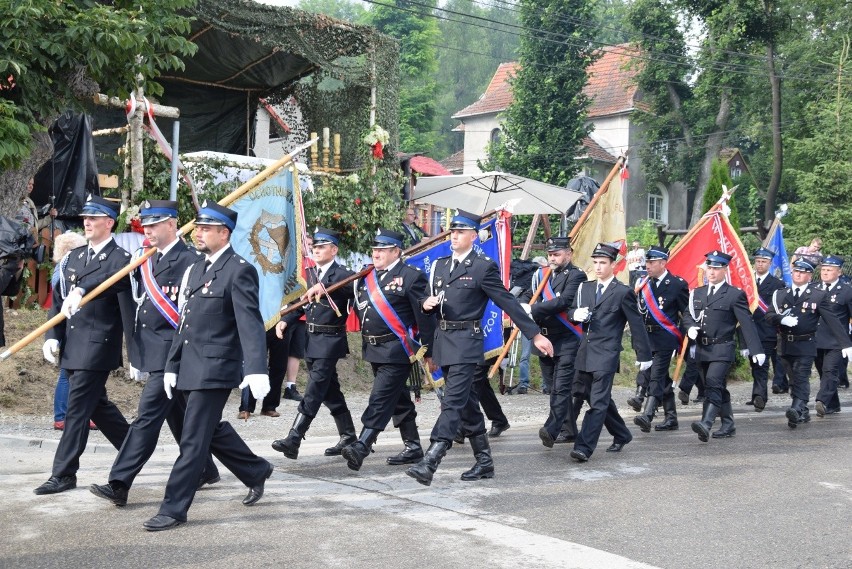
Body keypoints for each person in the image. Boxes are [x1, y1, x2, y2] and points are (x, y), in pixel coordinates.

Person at [142, 201, 274, 531]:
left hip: (214, 370)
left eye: (205, 229)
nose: (197, 233)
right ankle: (254, 470)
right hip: (189, 366)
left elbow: (250, 323)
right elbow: (185, 324)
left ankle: (173, 508)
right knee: (208, 431)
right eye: (197, 228)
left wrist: (256, 368)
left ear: (223, 233)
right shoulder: (198, 268)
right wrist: (172, 364)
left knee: (192, 440)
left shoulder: (239, 269)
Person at [406, 209, 553, 486]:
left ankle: (432, 458)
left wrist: (534, 335)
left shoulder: (482, 267)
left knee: (452, 402)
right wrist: (426, 305)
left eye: (461, 232)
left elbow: (506, 301)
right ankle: (484, 461)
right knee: (467, 404)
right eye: (453, 231)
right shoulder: (439, 265)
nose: (455, 236)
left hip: (467, 344)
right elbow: (428, 301)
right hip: (444, 342)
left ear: (474, 236)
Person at [88, 200, 220, 508]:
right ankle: (208, 468)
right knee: (184, 417)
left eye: (154, 224)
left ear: (173, 224)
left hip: (176, 354)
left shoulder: (190, 260)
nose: (147, 230)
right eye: (144, 225)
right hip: (153, 351)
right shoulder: (146, 259)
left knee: (146, 418)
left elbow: (192, 313)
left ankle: (119, 483)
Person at [35, 195, 132, 495]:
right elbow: (60, 301)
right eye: (85, 218)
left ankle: (64, 473)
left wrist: (82, 289)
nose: (86, 222)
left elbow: (112, 286)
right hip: (74, 344)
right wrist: (53, 336)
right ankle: (136, 447)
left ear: (110, 222)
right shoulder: (74, 258)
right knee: (98, 407)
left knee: (77, 409)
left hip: (98, 344)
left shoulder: (121, 259)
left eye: (94, 217)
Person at [339, 228, 436, 471]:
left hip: (397, 350)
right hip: (373, 349)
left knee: (380, 398)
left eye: (382, 250)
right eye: (374, 250)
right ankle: (413, 446)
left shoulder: (411, 276)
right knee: (397, 398)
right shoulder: (367, 277)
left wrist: (430, 351)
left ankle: (362, 445)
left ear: (396, 251)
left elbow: (423, 316)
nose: (376, 254)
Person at [271, 227, 356, 460]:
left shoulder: (342, 274)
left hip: (330, 340)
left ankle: (294, 437)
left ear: (334, 250)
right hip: (311, 339)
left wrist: (325, 287)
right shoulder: (309, 275)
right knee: (330, 391)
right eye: (315, 247)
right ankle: (348, 434)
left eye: (322, 247)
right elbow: (300, 301)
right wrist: (285, 320)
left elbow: (355, 286)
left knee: (314, 389)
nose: (316, 250)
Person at [563, 243, 651, 463]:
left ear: (614, 265)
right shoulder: (586, 288)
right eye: (595, 263)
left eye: (603, 263)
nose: (598, 267)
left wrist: (644, 355)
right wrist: (576, 314)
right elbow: (571, 311)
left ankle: (584, 447)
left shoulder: (622, 292)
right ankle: (621, 433)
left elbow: (636, 324)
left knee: (598, 402)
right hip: (585, 352)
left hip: (606, 354)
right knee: (589, 396)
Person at [683, 251, 764, 443]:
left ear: (725, 270)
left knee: (712, 382)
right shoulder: (698, 292)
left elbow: (746, 323)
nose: (711, 272)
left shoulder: (734, 295)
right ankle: (728, 424)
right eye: (709, 268)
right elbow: (687, 315)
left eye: (716, 268)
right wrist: (690, 327)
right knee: (715, 386)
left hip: (722, 348)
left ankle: (706, 423)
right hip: (702, 350)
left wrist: (756, 349)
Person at [766, 259, 852, 428]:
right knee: (793, 379)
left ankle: (798, 407)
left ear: (809, 275)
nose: (798, 274)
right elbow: (768, 315)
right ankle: (803, 411)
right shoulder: (781, 294)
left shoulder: (819, 295)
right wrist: (782, 318)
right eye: (796, 271)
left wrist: (846, 343)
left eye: (803, 272)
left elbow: (833, 320)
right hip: (786, 344)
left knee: (804, 375)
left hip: (809, 343)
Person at [524, 237, 586, 448]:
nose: (552, 258)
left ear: (568, 254)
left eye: (557, 254)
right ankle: (568, 430)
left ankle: (551, 428)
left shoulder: (576, 275)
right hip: (544, 338)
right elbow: (528, 295)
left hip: (566, 339)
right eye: (550, 254)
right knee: (553, 388)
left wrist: (532, 309)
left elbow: (563, 302)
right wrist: (522, 305)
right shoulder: (540, 275)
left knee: (561, 387)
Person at [632, 245, 689, 433]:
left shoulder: (676, 284)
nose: (647, 266)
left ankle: (647, 414)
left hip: (665, 337)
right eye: (646, 262)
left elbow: (686, 312)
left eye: (652, 262)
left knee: (656, 375)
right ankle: (671, 417)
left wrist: (687, 333)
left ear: (663, 263)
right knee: (661, 378)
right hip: (647, 338)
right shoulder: (642, 283)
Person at [48, 231, 87, 431]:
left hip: (75, 326)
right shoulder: (63, 271)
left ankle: (83, 412)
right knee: (66, 374)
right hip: (68, 326)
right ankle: (61, 416)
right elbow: (61, 299)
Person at [742, 248, 786, 412]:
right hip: (750, 331)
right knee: (754, 365)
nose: (760, 264)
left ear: (770, 263)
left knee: (762, 365)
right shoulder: (747, 281)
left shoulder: (777, 284)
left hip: (767, 331)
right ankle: (756, 395)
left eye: (764, 262)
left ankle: (761, 396)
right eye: (758, 261)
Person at [813, 255, 852, 417]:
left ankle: (821, 401)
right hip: (816, 339)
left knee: (830, 371)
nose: (825, 273)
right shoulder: (814, 289)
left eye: (829, 270)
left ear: (839, 272)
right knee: (822, 371)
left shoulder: (847, 291)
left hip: (837, 341)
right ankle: (833, 404)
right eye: (823, 269)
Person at [512, 255, 547, 394]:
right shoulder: (534, 283)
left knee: (529, 355)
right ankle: (544, 386)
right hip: (532, 321)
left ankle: (524, 384)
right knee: (540, 354)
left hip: (530, 321)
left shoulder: (525, 279)